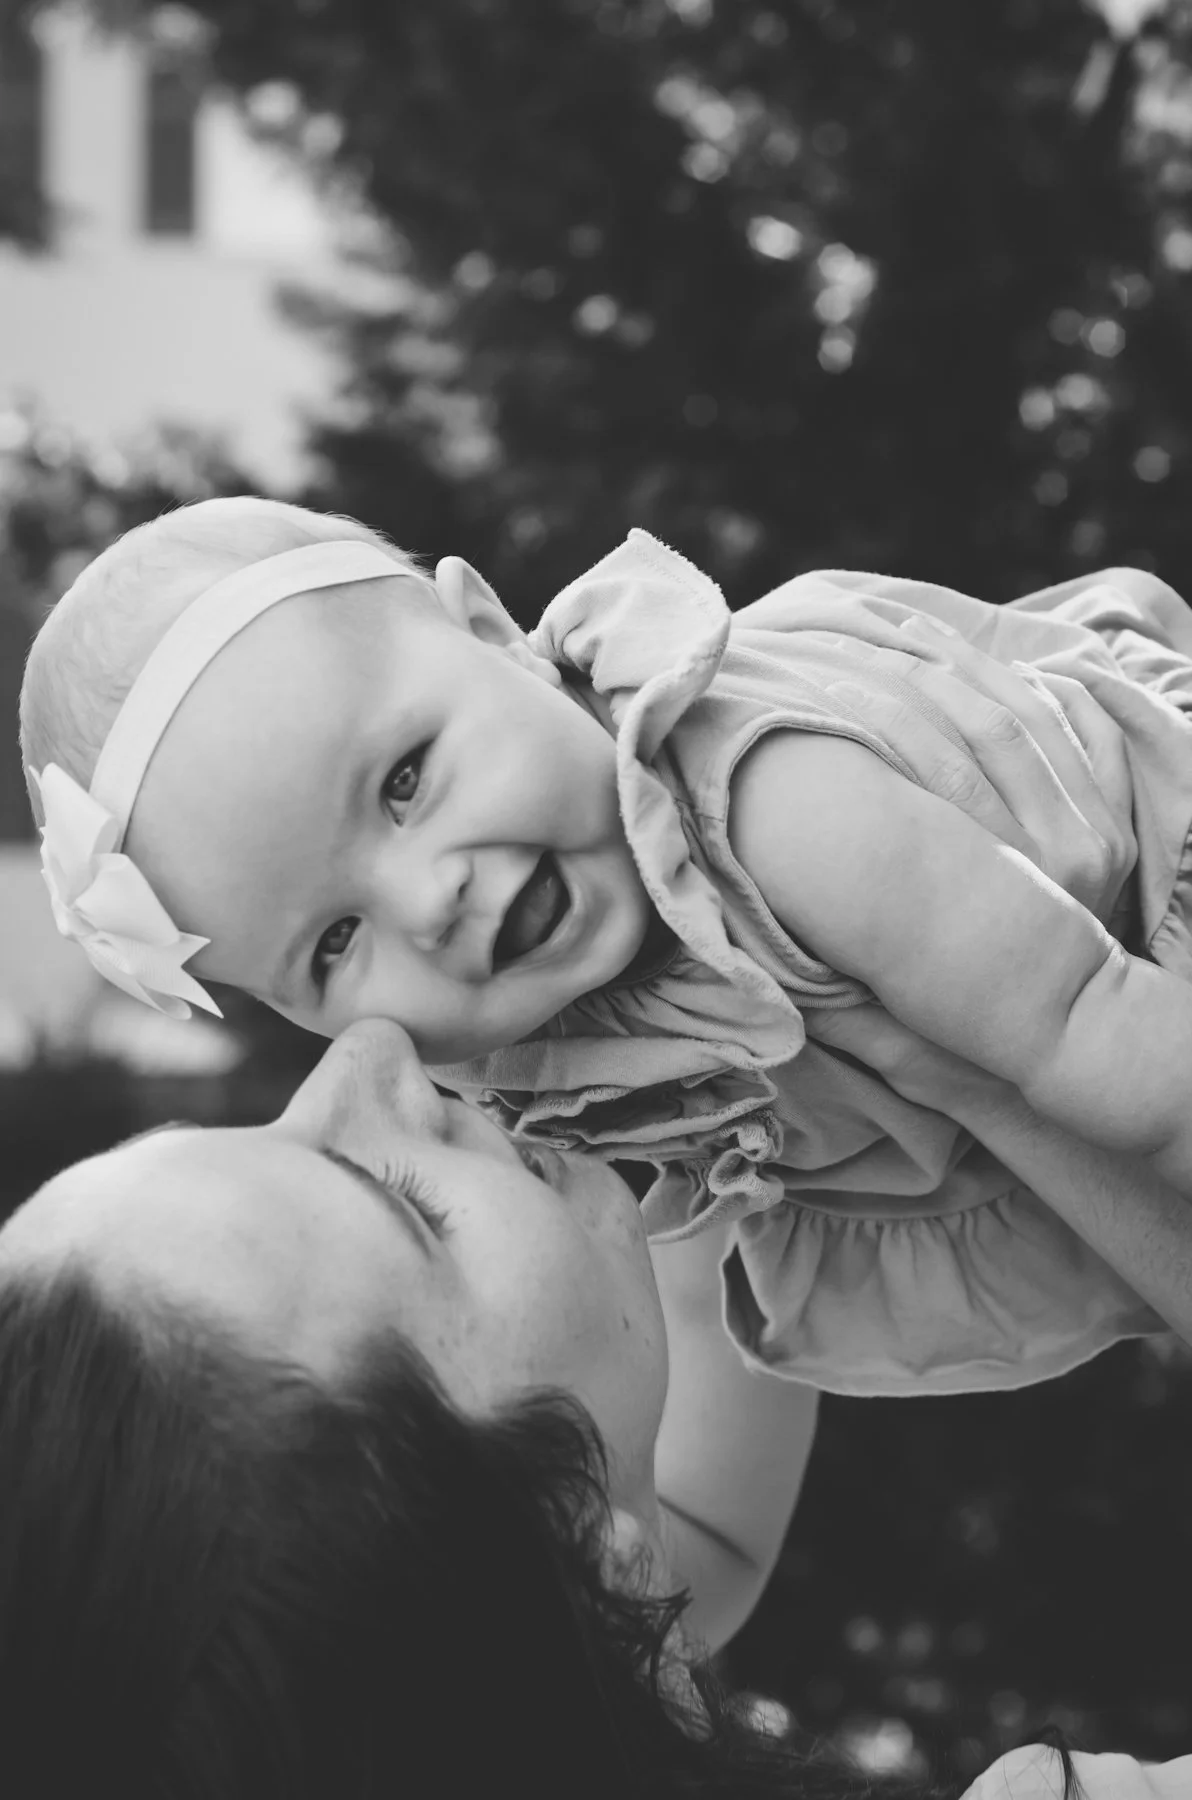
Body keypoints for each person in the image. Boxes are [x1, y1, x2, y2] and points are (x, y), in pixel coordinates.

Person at [16, 495, 1192, 1400]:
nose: (428, 905)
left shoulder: (771, 808)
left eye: (405, 781)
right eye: (332, 941)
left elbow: (1091, 1027)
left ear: (491, 633)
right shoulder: (537, 1074)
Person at [1, 1013, 1189, 1798]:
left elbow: (685, 1532)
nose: (365, 1048)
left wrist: (713, 1099)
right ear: (575, 1561)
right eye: (401, 1198)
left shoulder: (536, 1679)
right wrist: (985, 1054)